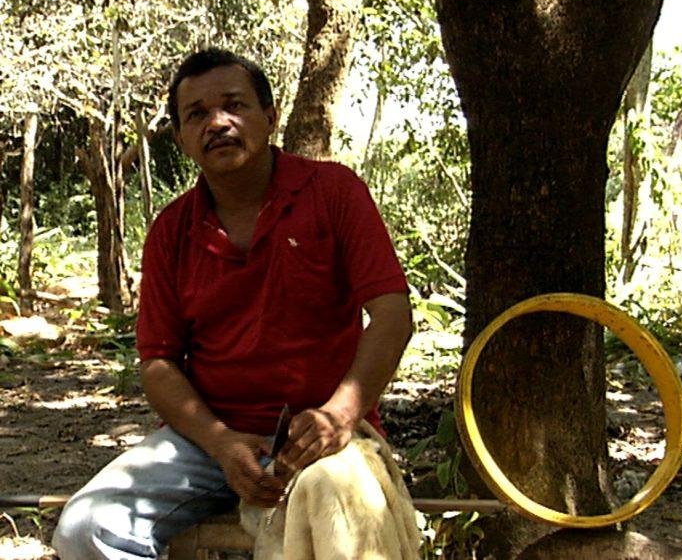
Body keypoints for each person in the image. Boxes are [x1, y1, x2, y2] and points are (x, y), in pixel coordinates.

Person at [52, 47, 413, 559]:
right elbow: (157, 363)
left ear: (269, 117)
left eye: (234, 105)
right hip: (207, 441)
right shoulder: (171, 231)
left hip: (322, 436)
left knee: (339, 512)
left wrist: (340, 414)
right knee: (85, 527)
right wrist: (221, 443)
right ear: (181, 139)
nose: (217, 122)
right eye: (196, 114)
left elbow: (393, 312)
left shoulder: (333, 192)